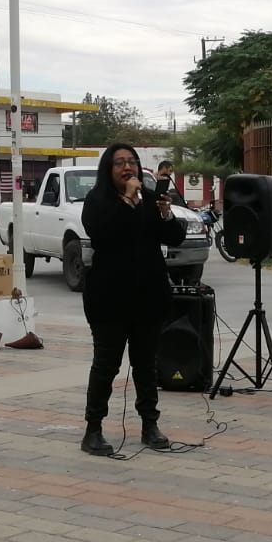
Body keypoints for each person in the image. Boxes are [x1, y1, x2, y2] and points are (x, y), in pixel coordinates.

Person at [80, 142, 187, 455]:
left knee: (145, 365)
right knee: (106, 365)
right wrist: (127, 199)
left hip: (148, 297)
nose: (127, 168)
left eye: (132, 162)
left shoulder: (150, 199)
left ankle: (149, 425)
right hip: (109, 299)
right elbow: (102, 234)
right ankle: (93, 430)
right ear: (108, 170)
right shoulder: (97, 200)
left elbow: (174, 238)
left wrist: (166, 216)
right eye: (119, 163)